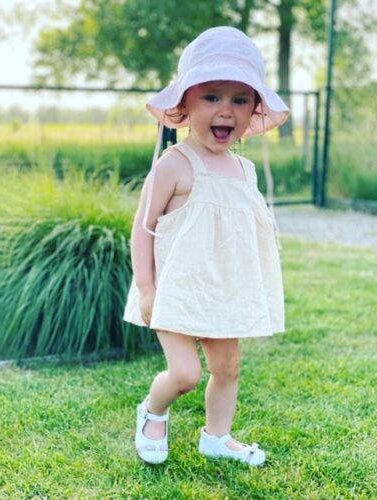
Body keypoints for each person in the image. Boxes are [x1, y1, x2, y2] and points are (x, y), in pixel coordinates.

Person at [124, 26, 289, 466]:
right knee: (185, 374)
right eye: (212, 97)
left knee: (227, 369)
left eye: (240, 99)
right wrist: (147, 287)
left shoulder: (245, 171)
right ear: (185, 104)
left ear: (255, 109)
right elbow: (143, 227)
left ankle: (217, 437)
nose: (226, 110)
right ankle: (152, 411)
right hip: (175, 288)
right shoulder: (175, 164)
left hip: (223, 289)